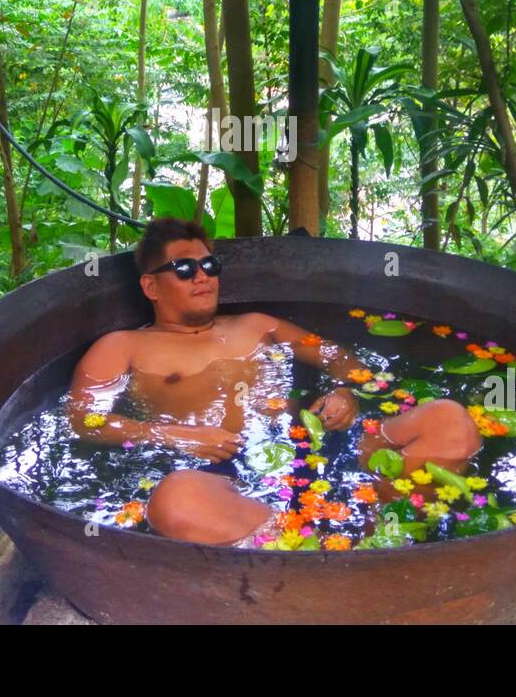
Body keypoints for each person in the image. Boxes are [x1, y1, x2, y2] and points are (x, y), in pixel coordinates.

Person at [66, 217, 481, 546]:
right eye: (184, 268)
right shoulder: (122, 346)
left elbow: (336, 356)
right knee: (175, 501)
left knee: (448, 420)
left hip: (318, 447)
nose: (202, 276)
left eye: (209, 265)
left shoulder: (259, 325)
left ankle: (376, 528)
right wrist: (173, 435)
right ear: (150, 285)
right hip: (226, 476)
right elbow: (84, 419)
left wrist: (345, 392)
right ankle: (319, 551)